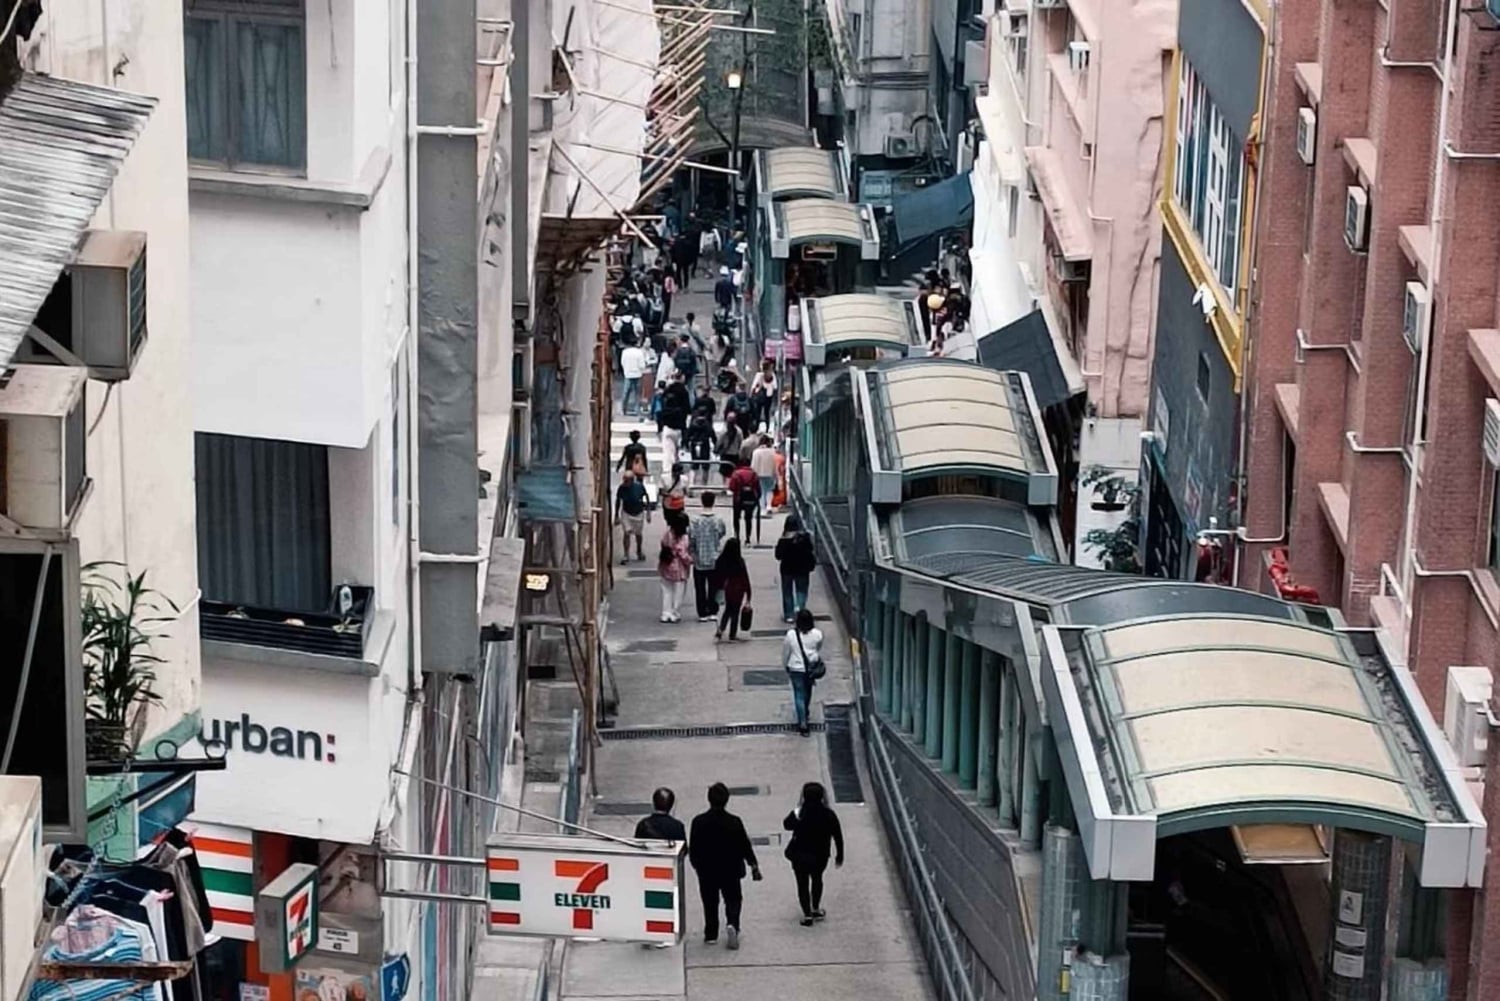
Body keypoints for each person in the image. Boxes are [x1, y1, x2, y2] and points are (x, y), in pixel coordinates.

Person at [688, 783, 762, 949]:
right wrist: (753, 864)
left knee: (710, 901)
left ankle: (711, 933)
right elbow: (745, 845)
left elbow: (694, 847)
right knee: (733, 899)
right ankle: (733, 924)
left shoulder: (698, 822)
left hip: (707, 870)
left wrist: (697, 866)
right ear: (727, 800)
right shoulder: (734, 821)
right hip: (731, 869)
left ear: (709, 799)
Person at [782, 781, 844, 926]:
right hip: (820, 855)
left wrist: (796, 814)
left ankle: (807, 914)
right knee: (817, 879)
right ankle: (815, 907)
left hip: (799, 854)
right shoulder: (829, 814)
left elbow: (786, 825)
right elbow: (838, 835)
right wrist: (840, 854)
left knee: (802, 883)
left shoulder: (799, 813)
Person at [782, 608, 824, 735]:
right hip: (810, 668)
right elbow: (818, 647)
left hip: (795, 668)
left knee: (798, 694)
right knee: (807, 692)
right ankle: (805, 712)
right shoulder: (817, 634)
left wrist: (786, 665)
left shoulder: (791, 635)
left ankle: (803, 722)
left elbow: (786, 652)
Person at [688, 492, 727, 621]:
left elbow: (691, 537)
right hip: (714, 557)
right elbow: (722, 533)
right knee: (713, 586)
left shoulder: (695, 521)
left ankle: (702, 612)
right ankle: (713, 610)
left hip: (699, 557)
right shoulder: (718, 520)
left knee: (700, 587)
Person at [775, 516, 816, 622]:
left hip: (787, 569)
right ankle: (800, 609)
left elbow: (778, 555)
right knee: (801, 590)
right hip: (802, 568)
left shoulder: (783, 539)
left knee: (787, 592)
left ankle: (789, 615)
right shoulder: (804, 537)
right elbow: (810, 549)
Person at [711, 537, 752, 642]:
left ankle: (721, 629)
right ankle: (732, 634)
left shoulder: (722, 560)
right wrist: (748, 595)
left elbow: (717, 575)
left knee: (727, 610)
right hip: (738, 590)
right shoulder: (739, 562)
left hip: (728, 589)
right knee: (735, 612)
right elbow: (745, 578)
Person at [657, 511, 693, 623]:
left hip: (666, 564)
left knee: (667, 590)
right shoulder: (683, 537)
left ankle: (665, 612)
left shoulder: (668, 533)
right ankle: (674, 612)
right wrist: (691, 560)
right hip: (679, 567)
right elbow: (682, 553)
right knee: (679, 591)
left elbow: (663, 543)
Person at [614, 470, 650, 564]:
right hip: (626, 512)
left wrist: (648, 512)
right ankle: (626, 554)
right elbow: (618, 501)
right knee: (627, 533)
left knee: (638, 534)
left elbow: (646, 497)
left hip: (638, 512)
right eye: (624, 480)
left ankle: (639, 550)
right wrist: (616, 515)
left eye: (626, 480)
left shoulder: (639, 486)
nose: (624, 482)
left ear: (631, 480)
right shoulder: (621, 488)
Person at [726, 459, 761, 542]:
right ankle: (748, 537)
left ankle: (737, 535)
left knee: (736, 518)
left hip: (738, 498)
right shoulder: (754, 474)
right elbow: (758, 489)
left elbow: (731, 487)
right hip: (750, 499)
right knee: (748, 518)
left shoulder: (736, 474)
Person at [684, 414, 716, 486]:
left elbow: (687, 435)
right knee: (705, 466)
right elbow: (713, 435)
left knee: (694, 465)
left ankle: (692, 484)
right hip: (705, 445)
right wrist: (715, 446)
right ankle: (704, 485)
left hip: (694, 444)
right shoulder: (707, 424)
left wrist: (686, 445)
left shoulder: (693, 424)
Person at [620, 339, 647, 416]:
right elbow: (642, 365)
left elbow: (622, 363)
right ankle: (637, 409)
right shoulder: (639, 352)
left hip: (628, 374)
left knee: (626, 393)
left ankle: (623, 409)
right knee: (637, 393)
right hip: (637, 374)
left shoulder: (625, 352)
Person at [750, 362, 778, 432]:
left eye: (771, 370)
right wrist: (751, 396)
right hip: (759, 397)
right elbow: (754, 386)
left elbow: (775, 387)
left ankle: (767, 428)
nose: (770, 372)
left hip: (768, 397)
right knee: (757, 413)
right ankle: (756, 428)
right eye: (769, 370)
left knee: (767, 413)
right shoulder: (759, 375)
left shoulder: (773, 376)